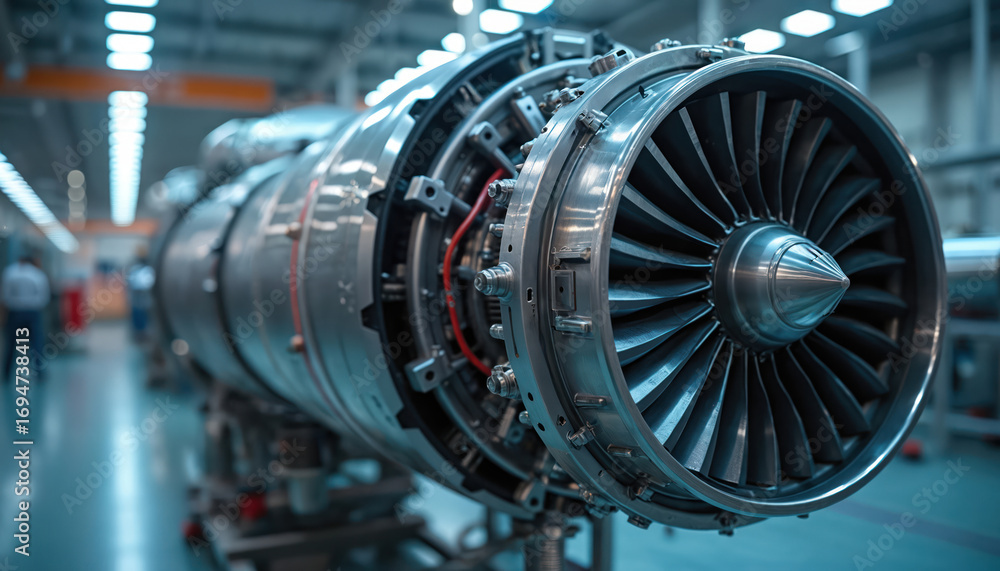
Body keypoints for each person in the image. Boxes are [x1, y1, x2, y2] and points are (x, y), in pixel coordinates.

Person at [1, 254, 50, 379]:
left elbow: (4, 296)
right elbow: (44, 297)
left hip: (14, 312)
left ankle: (6, 373)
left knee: (11, 344)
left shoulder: (10, 272)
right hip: (33, 312)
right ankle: (39, 373)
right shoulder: (38, 274)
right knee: (37, 344)